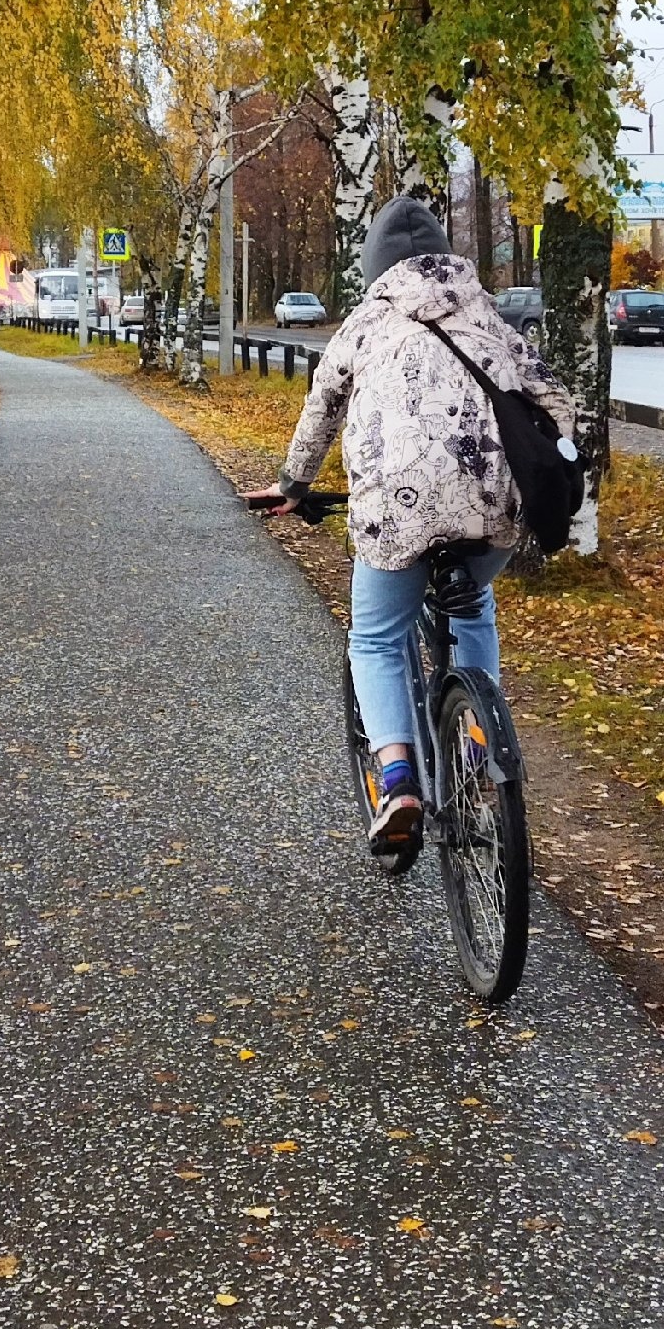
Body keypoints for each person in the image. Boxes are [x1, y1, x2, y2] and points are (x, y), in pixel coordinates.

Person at [244, 195, 577, 848]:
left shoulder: (366, 324)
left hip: (397, 514)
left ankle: (397, 783)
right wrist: (566, 472)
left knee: (373, 638)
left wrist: (294, 485)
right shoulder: (486, 313)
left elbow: (321, 410)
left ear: (378, 267)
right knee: (472, 605)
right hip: (491, 507)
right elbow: (554, 397)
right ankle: (477, 758)